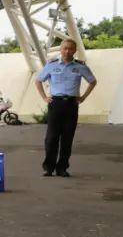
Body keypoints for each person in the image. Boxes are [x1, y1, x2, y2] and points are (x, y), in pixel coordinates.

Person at [34, 38, 97, 177]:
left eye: (70, 49)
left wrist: (83, 97)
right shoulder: (51, 65)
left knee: (67, 138)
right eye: (65, 48)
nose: (67, 51)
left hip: (71, 104)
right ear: (61, 50)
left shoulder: (80, 67)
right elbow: (38, 81)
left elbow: (93, 81)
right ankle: (48, 168)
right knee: (51, 138)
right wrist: (45, 97)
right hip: (55, 104)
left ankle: (62, 168)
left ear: (75, 51)